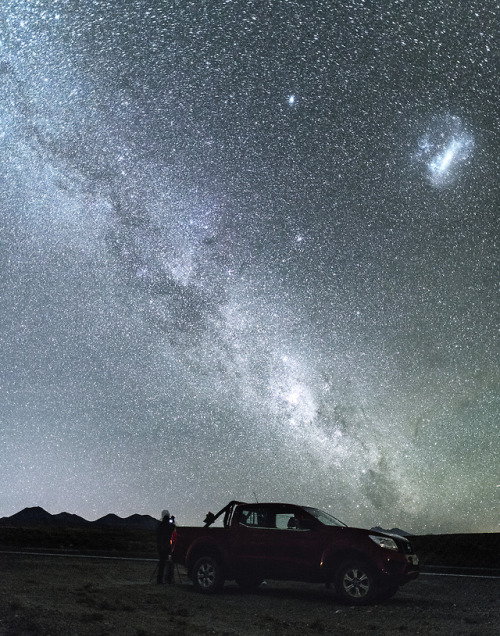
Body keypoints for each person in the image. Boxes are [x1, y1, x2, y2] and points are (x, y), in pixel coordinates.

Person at [156, 509, 176, 584]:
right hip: (168, 548)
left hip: (161, 548)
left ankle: (159, 580)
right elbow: (173, 529)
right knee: (170, 563)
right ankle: (169, 579)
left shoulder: (160, 525)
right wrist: (172, 522)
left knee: (162, 564)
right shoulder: (169, 526)